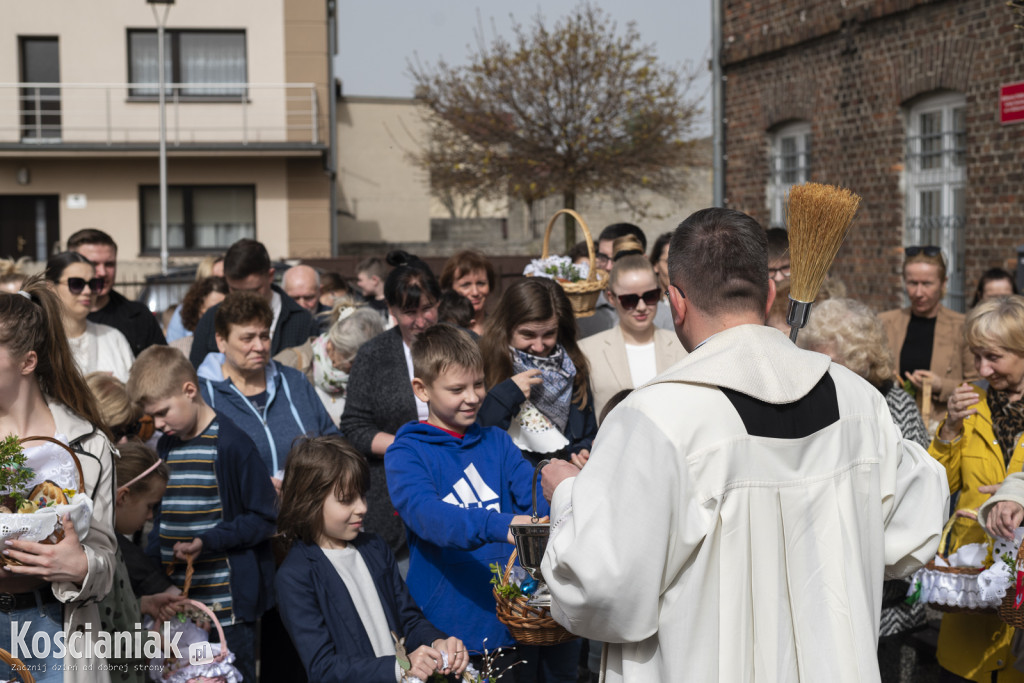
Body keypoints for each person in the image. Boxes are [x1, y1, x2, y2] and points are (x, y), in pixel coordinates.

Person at [537, 207, 949, 683]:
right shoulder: (858, 400)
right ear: (770, 291)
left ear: (676, 302)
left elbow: (602, 589)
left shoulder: (655, 418)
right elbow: (912, 529)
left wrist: (568, 495)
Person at [385, 324, 571, 679]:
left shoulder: (498, 442)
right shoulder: (406, 452)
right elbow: (428, 516)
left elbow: (534, 497)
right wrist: (502, 525)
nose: (472, 397)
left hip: (515, 622)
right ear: (421, 389)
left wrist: (562, 504)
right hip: (449, 633)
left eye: (478, 384)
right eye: (457, 389)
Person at [795, 297, 930, 682]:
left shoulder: (894, 405)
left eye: (830, 362)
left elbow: (911, 500)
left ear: (861, 358)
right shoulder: (817, 401)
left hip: (888, 598)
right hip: (829, 588)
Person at [129, 344, 277, 683]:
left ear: (190, 390)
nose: (160, 424)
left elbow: (264, 517)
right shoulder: (167, 446)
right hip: (179, 602)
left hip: (225, 607)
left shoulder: (231, 444)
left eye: (164, 412)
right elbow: (162, 520)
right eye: (154, 417)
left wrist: (207, 541)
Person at [0, 277, 118, 682]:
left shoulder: (87, 445)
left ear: (27, 362)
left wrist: (80, 565)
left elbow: (107, 560)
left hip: (56, 626)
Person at [277, 435, 468, 682]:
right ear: (308, 501)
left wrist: (437, 641)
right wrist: (399, 667)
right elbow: (322, 667)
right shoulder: (296, 576)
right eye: (346, 500)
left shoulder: (374, 548)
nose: (362, 508)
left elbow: (409, 620)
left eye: (362, 496)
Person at [927, 295, 1024, 683]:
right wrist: (949, 429)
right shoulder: (971, 402)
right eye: (977, 355)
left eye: (994, 357)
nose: (983, 369)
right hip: (971, 588)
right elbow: (937, 483)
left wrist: (1015, 491)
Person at [340, 250, 441, 554]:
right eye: (410, 312)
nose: (421, 321)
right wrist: (408, 444)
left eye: (428, 309)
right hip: (394, 491)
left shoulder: (464, 344)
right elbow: (354, 426)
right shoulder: (374, 355)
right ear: (391, 309)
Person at [196, 291, 339, 484]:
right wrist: (255, 489)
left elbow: (334, 441)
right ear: (221, 341)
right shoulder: (203, 395)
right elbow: (197, 468)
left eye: (264, 336)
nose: (260, 346)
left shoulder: (294, 381)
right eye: (248, 339)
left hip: (307, 509)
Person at [478, 277, 597, 468]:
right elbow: (478, 436)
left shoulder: (571, 367)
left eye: (549, 334)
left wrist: (582, 451)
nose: (539, 347)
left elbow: (586, 432)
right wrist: (506, 394)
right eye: (528, 335)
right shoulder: (482, 365)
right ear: (506, 329)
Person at [580, 236, 686, 421]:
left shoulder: (683, 346)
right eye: (629, 299)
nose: (641, 306)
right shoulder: (587, 351)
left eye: (650, 296)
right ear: (612, 298)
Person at [879, 246, 976, 427]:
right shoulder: (886, 323)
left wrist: (941, 385)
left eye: (927, 284)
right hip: (891, 424)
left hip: (942, 426)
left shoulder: (962, 327)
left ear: (943, 283)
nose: (918, 293)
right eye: (912, 283)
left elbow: (978, 385)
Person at [189, 238, 319, 367]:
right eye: (236, 291)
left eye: (254, 290)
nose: (245, 298)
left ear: (270, 276)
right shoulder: (211, 320)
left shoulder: (302, 321)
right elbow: (196, 376)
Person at [274, 301, 386, 425]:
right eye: (350, 361)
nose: (357, 368)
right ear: (332, 346)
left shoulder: (375, 372)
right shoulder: (289, 363)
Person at [67, 228, 167, 356]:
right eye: (93, 264)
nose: (102, 272)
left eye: (109, 264)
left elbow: (163, 369)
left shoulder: (138, 317)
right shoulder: (51, 317)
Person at [44, 251, 134, 382]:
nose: (87, 291)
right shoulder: (39, 342)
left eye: (94, 284)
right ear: (50, 287)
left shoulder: (113, 337)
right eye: (76, 284)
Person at [578, 223, 648, 339]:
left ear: (643, 260)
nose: (609, 267)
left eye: (618, 258)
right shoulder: (583, 312)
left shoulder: (664, 316)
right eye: (603, 257)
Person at [165, 255, 224, 342]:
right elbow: (173, 348)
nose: (221, 284)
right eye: (215, 279)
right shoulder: (182, 313)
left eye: (225, 278)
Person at [169, 276, 229, 358]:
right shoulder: (179, 350)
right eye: (212, 309)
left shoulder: (233, 349)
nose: (217, 314)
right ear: (198, 309)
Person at [440, 250, 496, 336]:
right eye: (466, 285)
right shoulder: (440, 330)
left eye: (481, 283)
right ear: (450, 287)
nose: (475, 292)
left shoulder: (500, 329)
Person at [649, 231, 675, 331]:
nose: (675, 269)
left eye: (680, 262)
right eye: (669, 262)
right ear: (656, 265)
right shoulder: (646, 305)